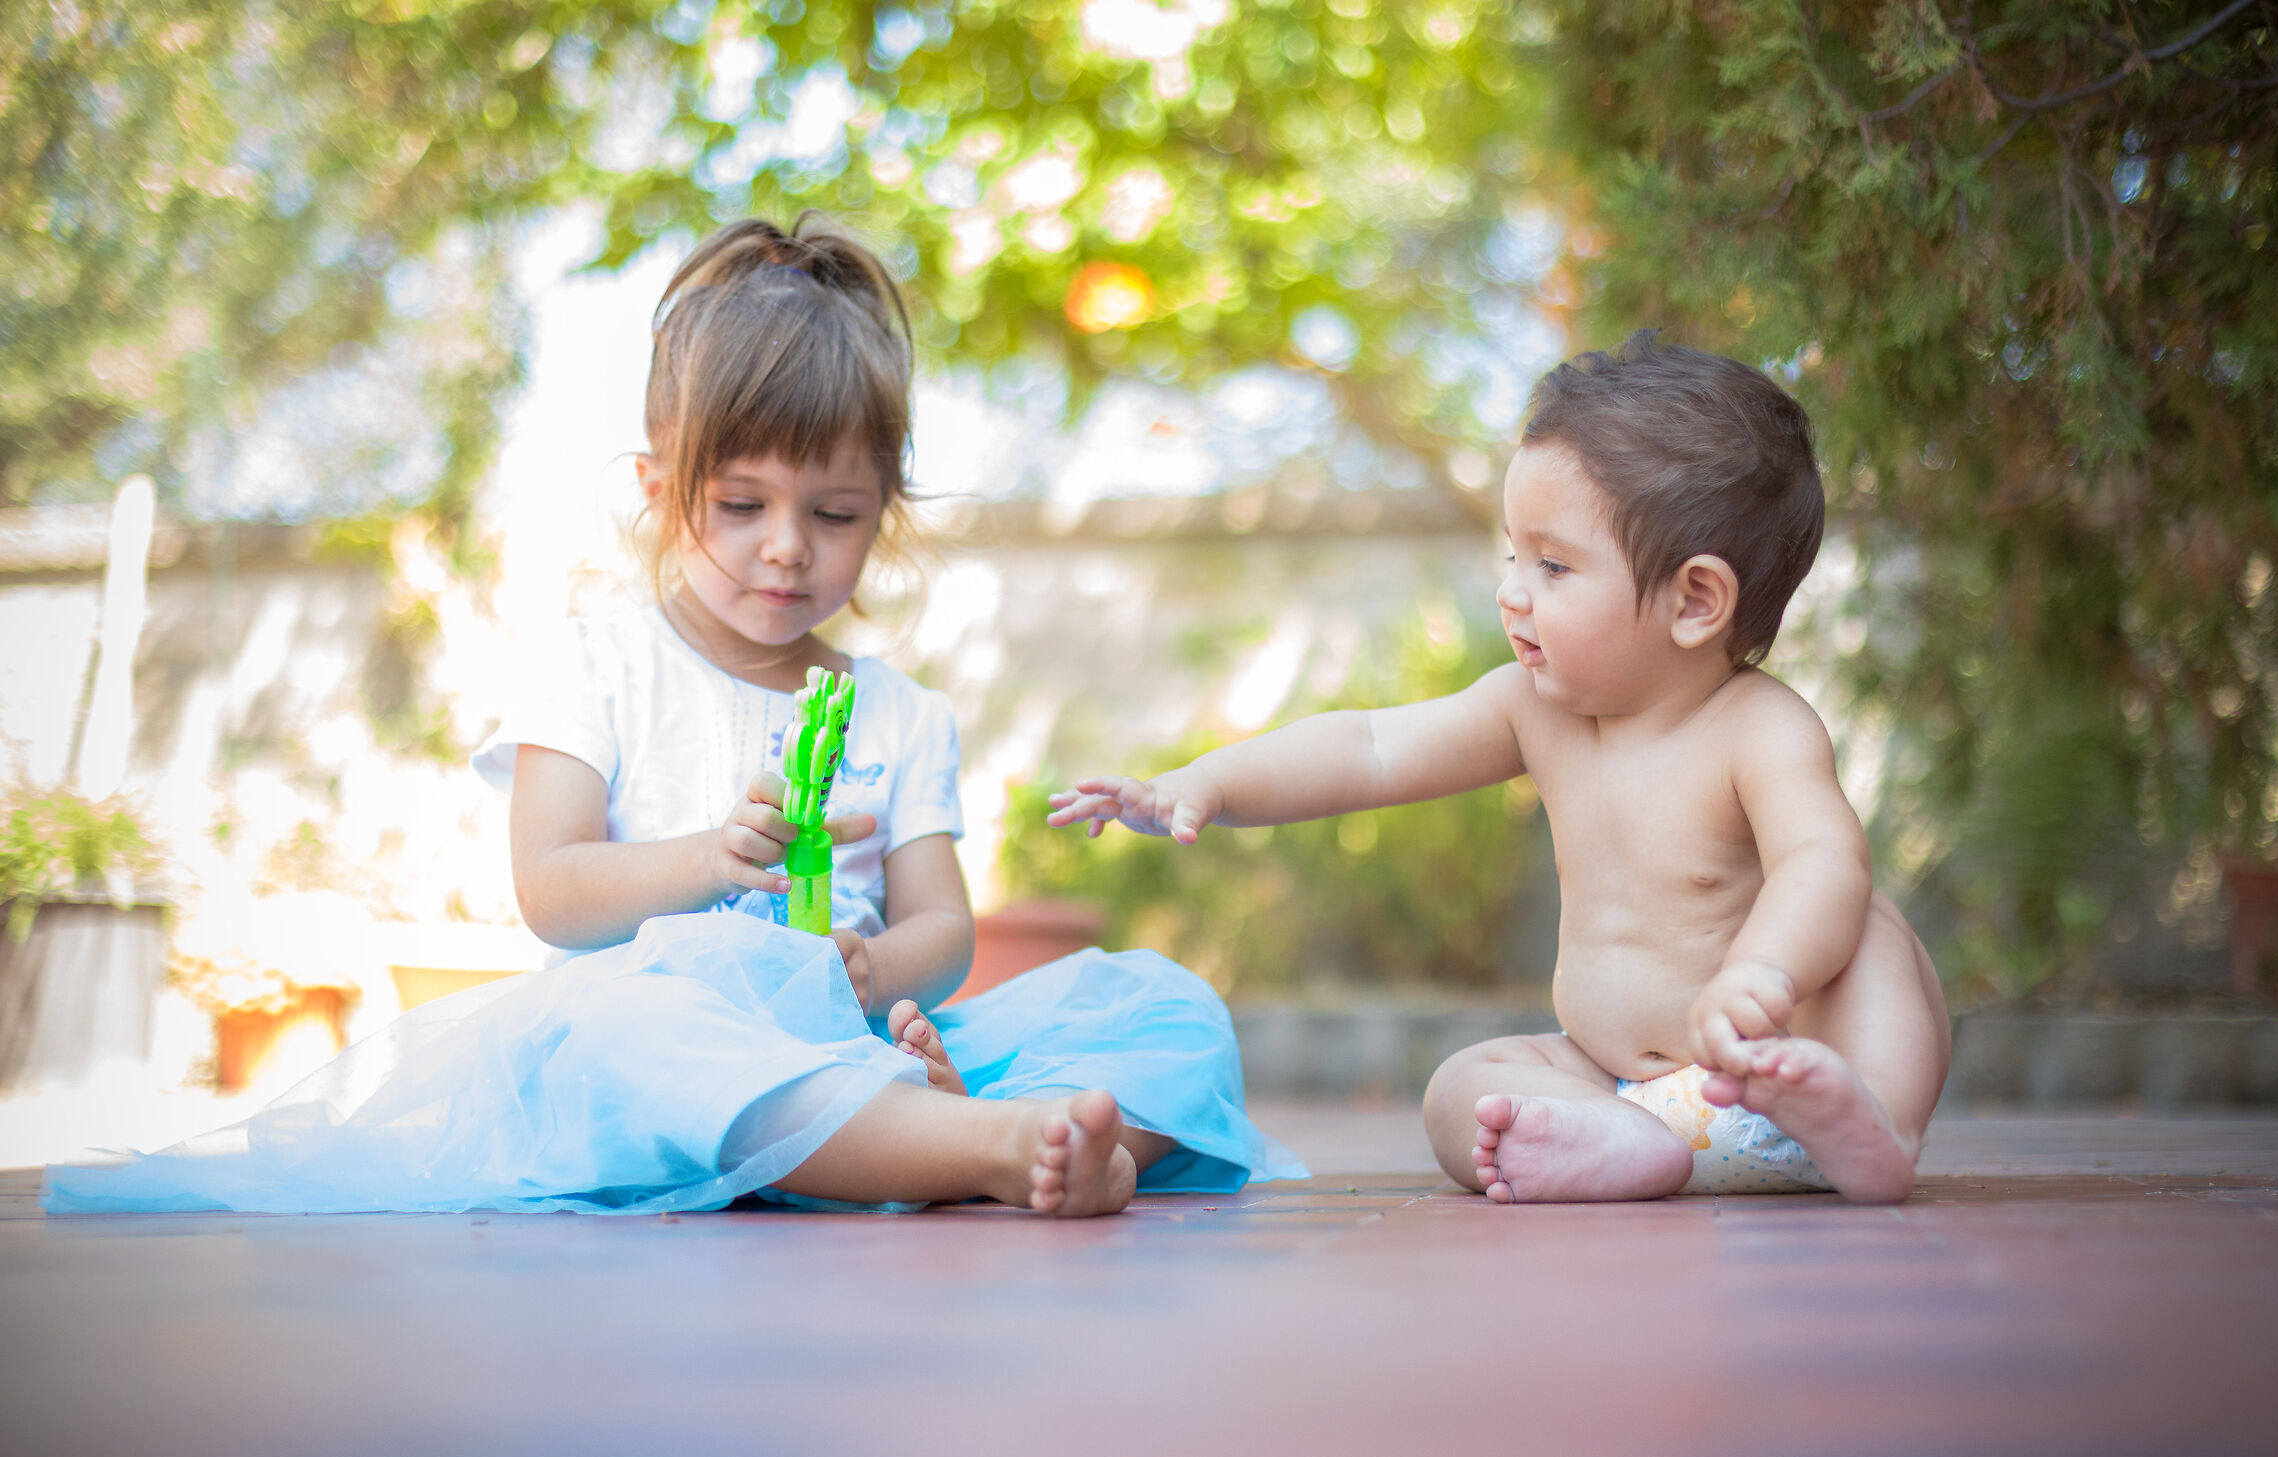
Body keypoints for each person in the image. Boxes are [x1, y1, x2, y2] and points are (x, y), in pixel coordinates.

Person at [45, 215, 1299, 1219]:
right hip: (675, 1048)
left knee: (1165, 1006)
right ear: (660, 489)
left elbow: (944, 928)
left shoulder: (898, 711)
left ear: (887, 507)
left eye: (836, 513)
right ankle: (980, 1145)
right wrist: (705, 862)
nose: (786, 551)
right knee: (636, 1035)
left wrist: (880, 975)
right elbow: (553, 889)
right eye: (740, 504)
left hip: (868, 1037)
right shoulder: (599, 664)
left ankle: (982, 1135)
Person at [1050, 333, 1948, 1204]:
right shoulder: (1532, 707)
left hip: (1776, 1074)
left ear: (1695, 600)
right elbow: (1369, 747)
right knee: (1461, 1087)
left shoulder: (1760, 728)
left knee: (1870, 931)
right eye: (1513, 556)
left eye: (1553, 564)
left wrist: (1765, 975)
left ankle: (1874, 1128)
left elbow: (1819, 862)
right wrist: (1206, 781)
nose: (1512, 589)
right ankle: (1629, 1149)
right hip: (1621, 1093)